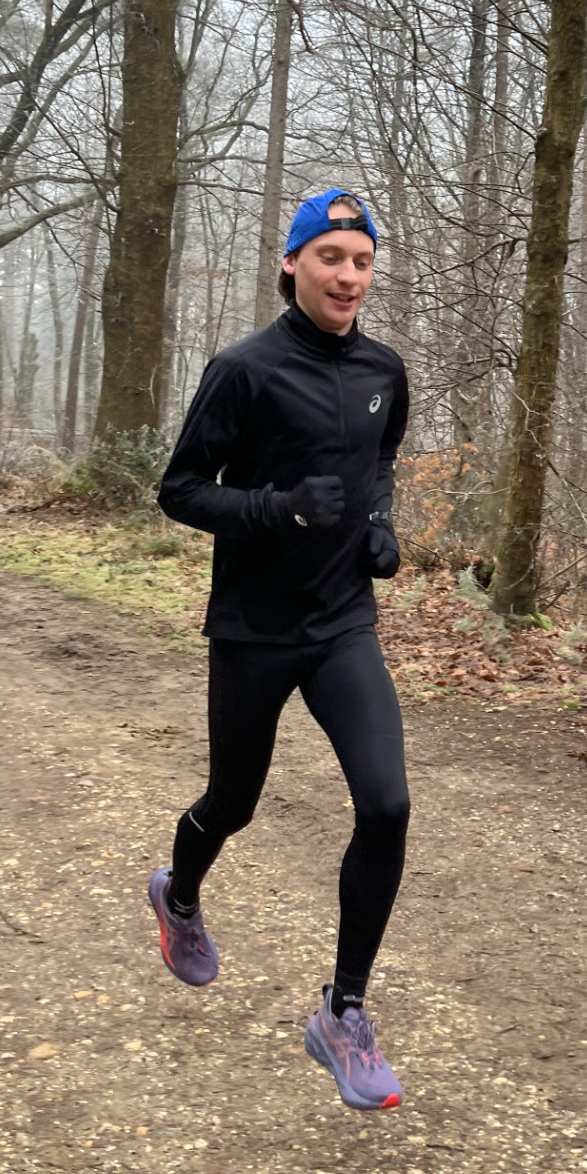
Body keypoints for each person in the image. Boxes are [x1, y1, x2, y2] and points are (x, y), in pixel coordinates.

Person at [148, 188, 410, 1111]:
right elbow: (180, 490)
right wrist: (278, 509)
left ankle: (343, 1014)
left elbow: (380, 459)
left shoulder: (383, 369)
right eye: (332, 257)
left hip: (341, 626)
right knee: (234, 803)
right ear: (293, 263)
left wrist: (379, 524)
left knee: (387, 805)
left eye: (362, 261)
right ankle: (180, 897)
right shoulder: (243, 370)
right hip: (253, 629)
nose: (349, 276)